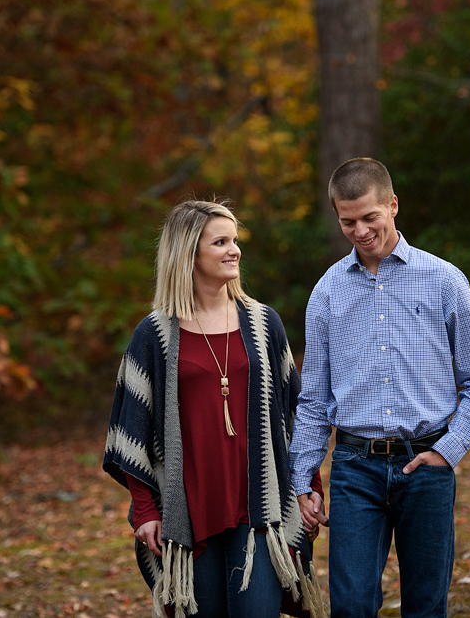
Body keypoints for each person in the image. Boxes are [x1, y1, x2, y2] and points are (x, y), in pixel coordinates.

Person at [290, 158, 470, 618]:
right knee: (350, 606)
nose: (360, 231)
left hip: (426, 463)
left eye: (370, 217)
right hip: (353, 468)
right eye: (348, 221)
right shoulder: (327, 293)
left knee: (426, 605)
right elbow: (313, 401)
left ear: (393, 205)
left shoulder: (445, 281)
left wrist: (449, 450)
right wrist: (302, 479)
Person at [103, 199, 328, 618]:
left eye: (235, 240)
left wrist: (307, 486)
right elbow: (132, 425)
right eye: (220, 242)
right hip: (188, 510)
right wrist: (146, 512)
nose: (234, 250)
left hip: (260, 504)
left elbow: (296, 414)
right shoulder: (154, 334)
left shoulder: (264, 324)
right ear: (188, 252)